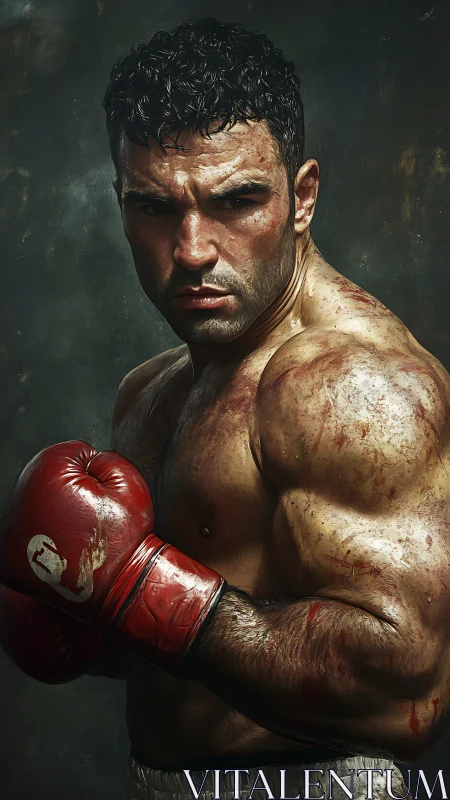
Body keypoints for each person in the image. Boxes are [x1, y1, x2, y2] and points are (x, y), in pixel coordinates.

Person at [1, 17, 450, 800]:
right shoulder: (151, 388)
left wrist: (136, 585)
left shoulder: (350, 386)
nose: (195, 249)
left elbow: (405, 691)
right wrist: (86, 622)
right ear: (118, 201)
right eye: (153, 208)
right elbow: (201, 640)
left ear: (303, 196)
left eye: (238, 200)